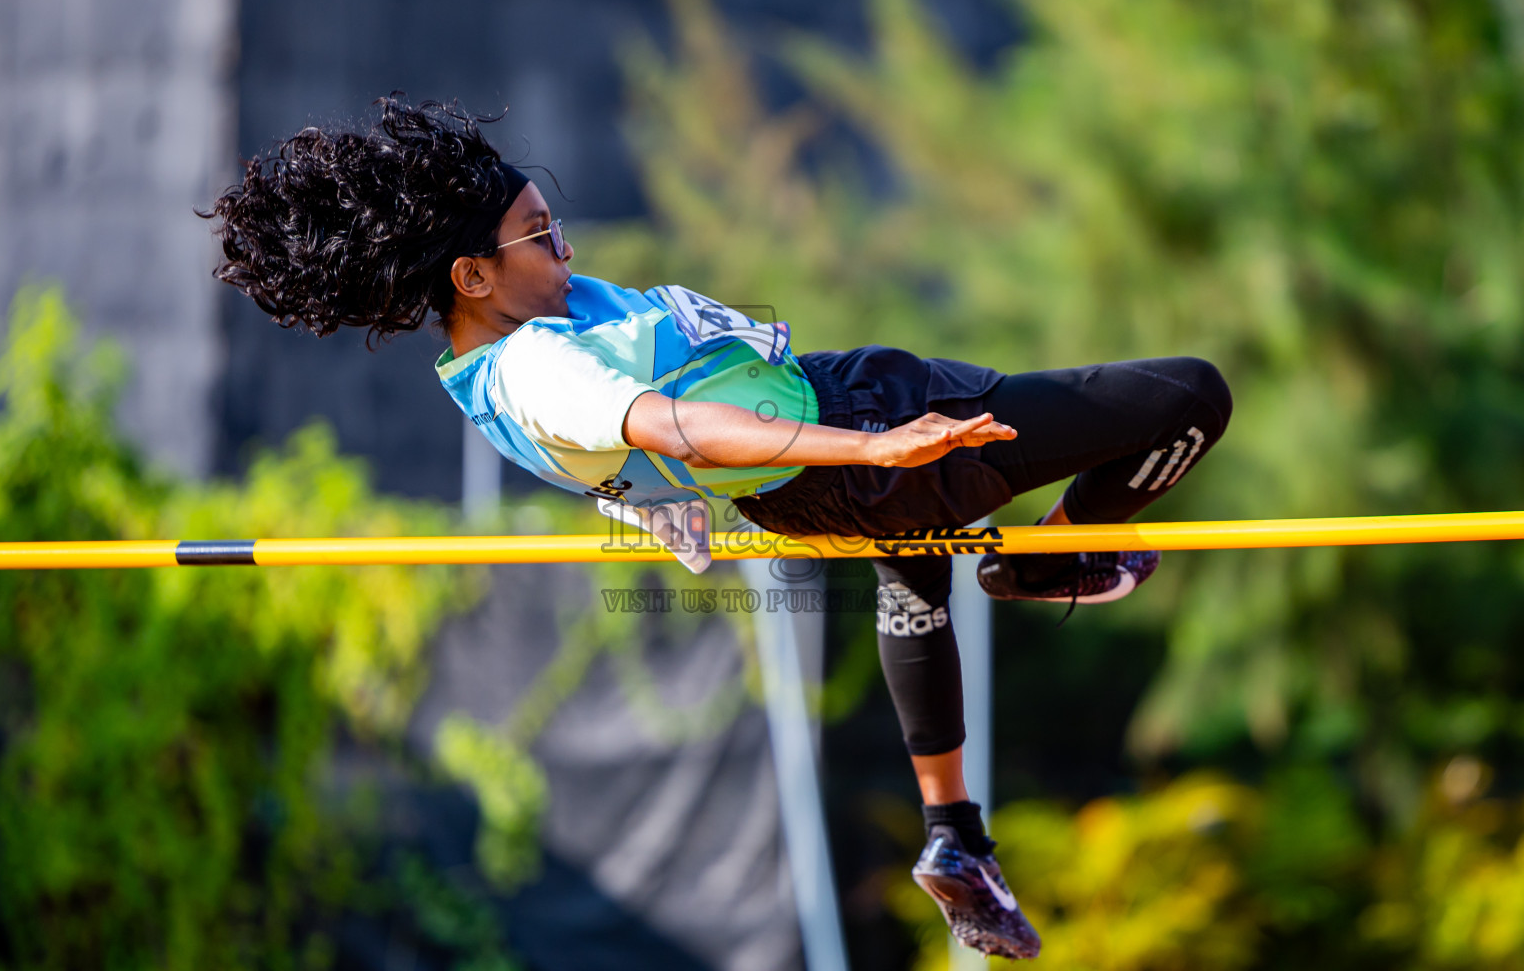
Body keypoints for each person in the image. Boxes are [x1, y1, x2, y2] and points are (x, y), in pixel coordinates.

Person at [204, 95, 1232, 961]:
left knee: (914, 568)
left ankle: (954, 834)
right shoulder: (533, 366)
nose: (566, 246)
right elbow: (678, 424)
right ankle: (1061, 550)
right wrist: (867, 450)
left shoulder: (508, 350)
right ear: (472, 277)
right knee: (1190, 395)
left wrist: (648, 505)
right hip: (843, 437)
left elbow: (604, 452)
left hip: (838, 402)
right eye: (540, 236)